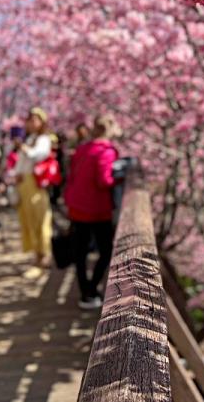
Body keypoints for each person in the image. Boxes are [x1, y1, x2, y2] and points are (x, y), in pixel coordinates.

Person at [63, 114, 120, 309]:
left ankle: (85, 292)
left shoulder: (82, 149)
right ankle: (92, 288)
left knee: (80, 252)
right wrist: (118, 179)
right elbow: (104, 181)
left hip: (77, 206)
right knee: (106, 251)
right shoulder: (106, 151)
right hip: (96, 209)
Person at [14, 108, 54, 268]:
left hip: (35, 183)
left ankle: (44, 254)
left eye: (34, 120)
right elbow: (22, 161)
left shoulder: (44, 139)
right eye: (29, 120)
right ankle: (36, 254)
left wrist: (22, 147)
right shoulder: (30, 138)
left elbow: (37, 155)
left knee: (39, 218)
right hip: (25, 182)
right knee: (28, 218)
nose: (30, 123)